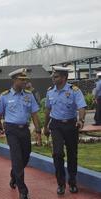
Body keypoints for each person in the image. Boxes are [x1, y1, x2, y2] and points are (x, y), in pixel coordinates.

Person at [0, 68, 41, 199]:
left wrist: (38, 131)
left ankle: (14, 176)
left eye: (25, 80)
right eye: (22, 80)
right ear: (14, 80)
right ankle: (22, 190)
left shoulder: (29, 95)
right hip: (11, 130)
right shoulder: (4, 96)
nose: (25, 82)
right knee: (17, 158)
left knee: (26, 156)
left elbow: (34, 114)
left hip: (24, 129)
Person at [44, 66, 86, 195]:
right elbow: (47, 110)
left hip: (71, 125)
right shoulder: (50, 91)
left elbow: (81, 107)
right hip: (56, 125)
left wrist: (81, 120)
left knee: (72, 154)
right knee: (57, 153)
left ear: (63, 78)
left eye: (55, 76)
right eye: (53, 76)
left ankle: (72, 182)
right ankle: (61, 183)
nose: (53, 78)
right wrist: (45, 126)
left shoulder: (74, 91)